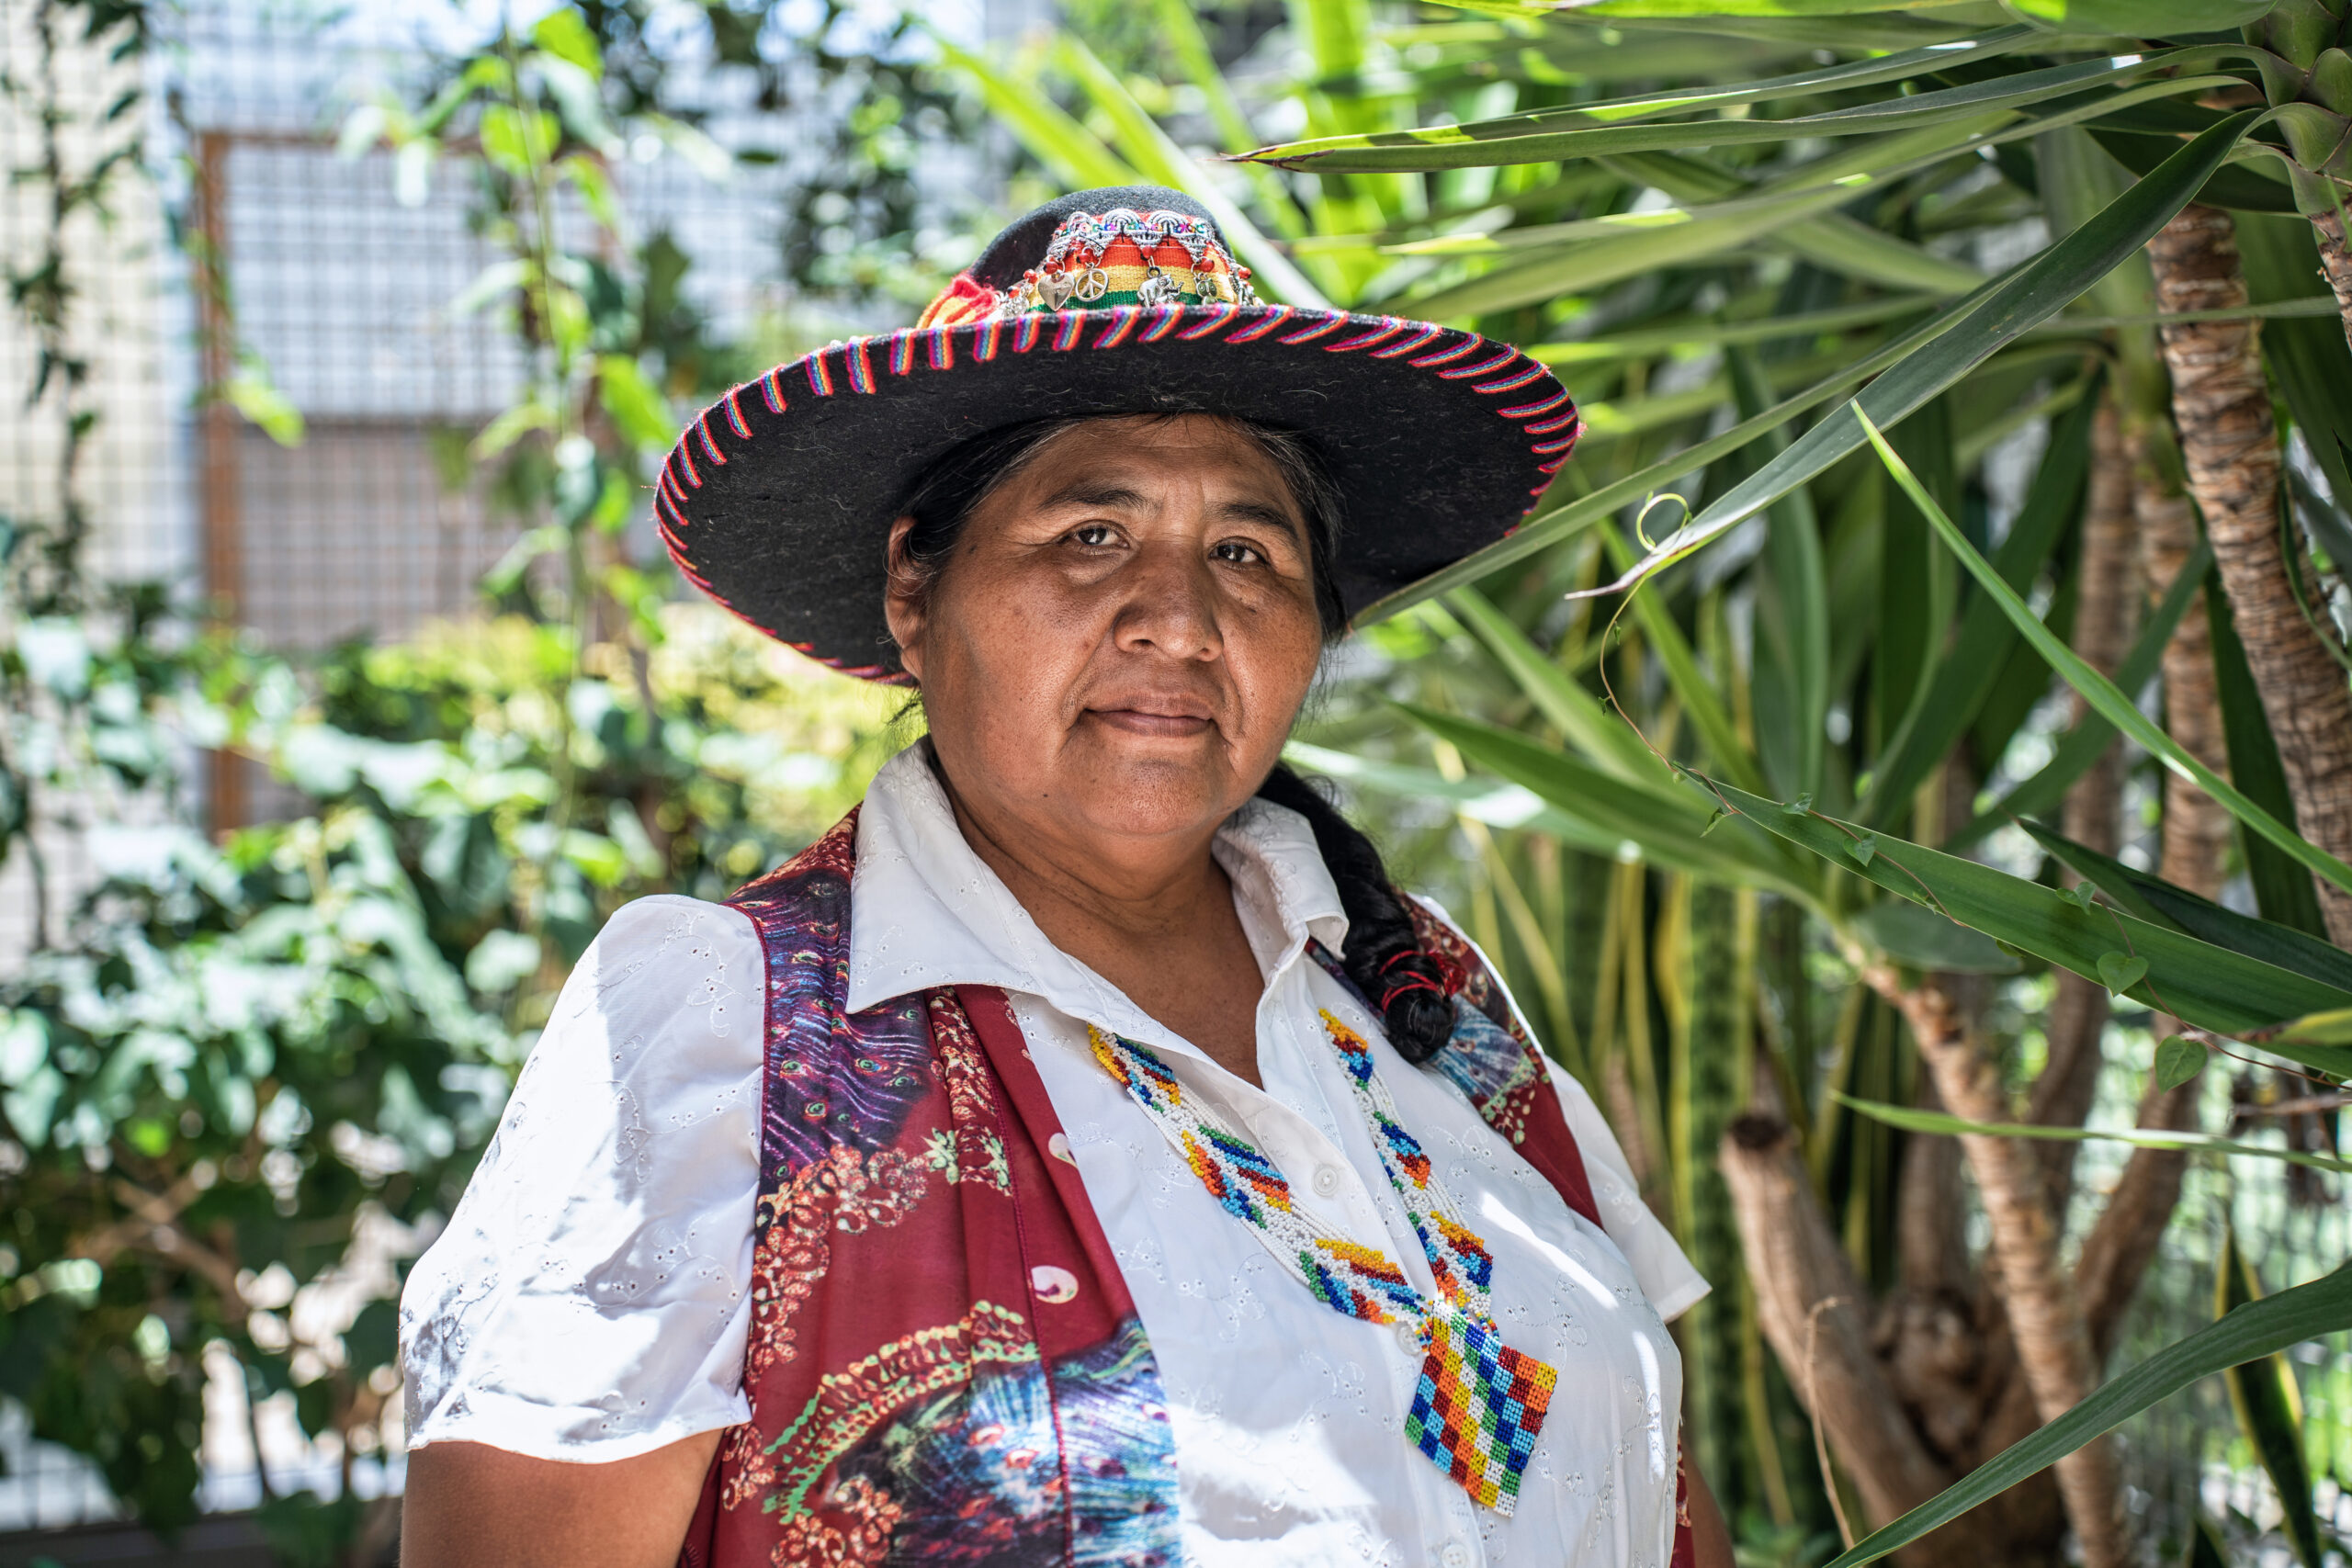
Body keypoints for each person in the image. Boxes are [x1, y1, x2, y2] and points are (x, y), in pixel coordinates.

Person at [396, 185, 1733, 1568]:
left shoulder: (1424, 991)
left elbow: (1656, 1467)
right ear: (917, 592)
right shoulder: (736, 1022)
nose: (1182, 621)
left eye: (1246, 552)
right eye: (1091, 536)